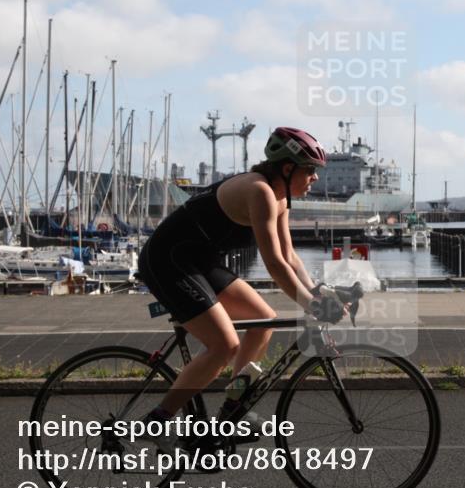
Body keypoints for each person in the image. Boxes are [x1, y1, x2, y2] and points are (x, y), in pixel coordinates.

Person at [135, 126, 339, 444]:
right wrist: (310, 305)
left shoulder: (280, 197)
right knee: (224, 345)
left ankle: (233, 410)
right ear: (287, 168)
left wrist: (314, 292)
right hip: (168, 261)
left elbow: (290, 257)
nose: (314, 177)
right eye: (310, 170)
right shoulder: (259, 191)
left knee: (263, 322)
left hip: (201, 261)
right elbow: (274, 264)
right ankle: (157, 420)